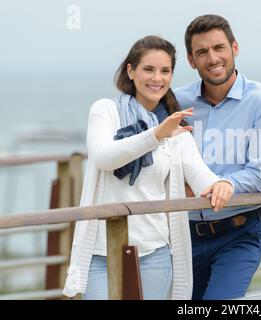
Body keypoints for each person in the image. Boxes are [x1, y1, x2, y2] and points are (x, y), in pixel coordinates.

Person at [62, 35, 234, 300]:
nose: (157, 78)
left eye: (165, 71)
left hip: (155, 254)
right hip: (101, 253)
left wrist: (222, 184)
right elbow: (105, 157)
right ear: (130, 71)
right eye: (149, 69)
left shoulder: (175, 129)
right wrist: (155, 135)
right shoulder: (106, 111)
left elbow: (203, 178)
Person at [175, 15, 261, 299]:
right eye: (202, 52)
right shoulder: (177, 102)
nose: (212, 58)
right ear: (191, 60)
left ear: (234, 48)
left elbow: (260, 175)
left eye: (219, 48)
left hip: (239, 233)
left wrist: (223, 184)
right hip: (183, 236)